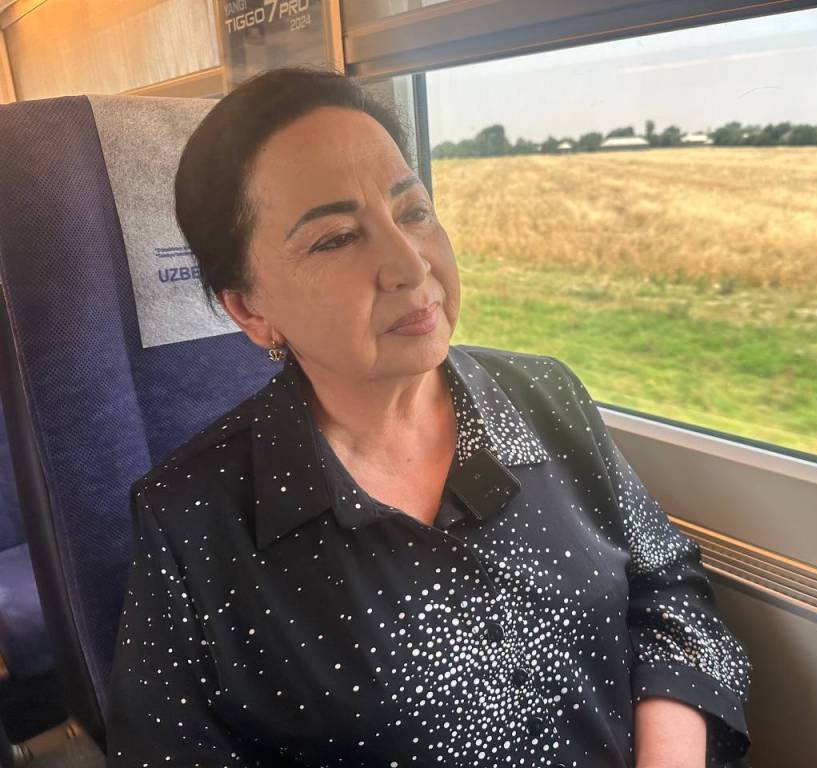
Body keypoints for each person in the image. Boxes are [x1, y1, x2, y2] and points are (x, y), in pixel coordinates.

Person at [104, 67, 751, 768]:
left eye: (412, 212)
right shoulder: (192, 517)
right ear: (250, 309)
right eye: (336, 238)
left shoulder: (548, 398)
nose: (410, 266)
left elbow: (669, 595)